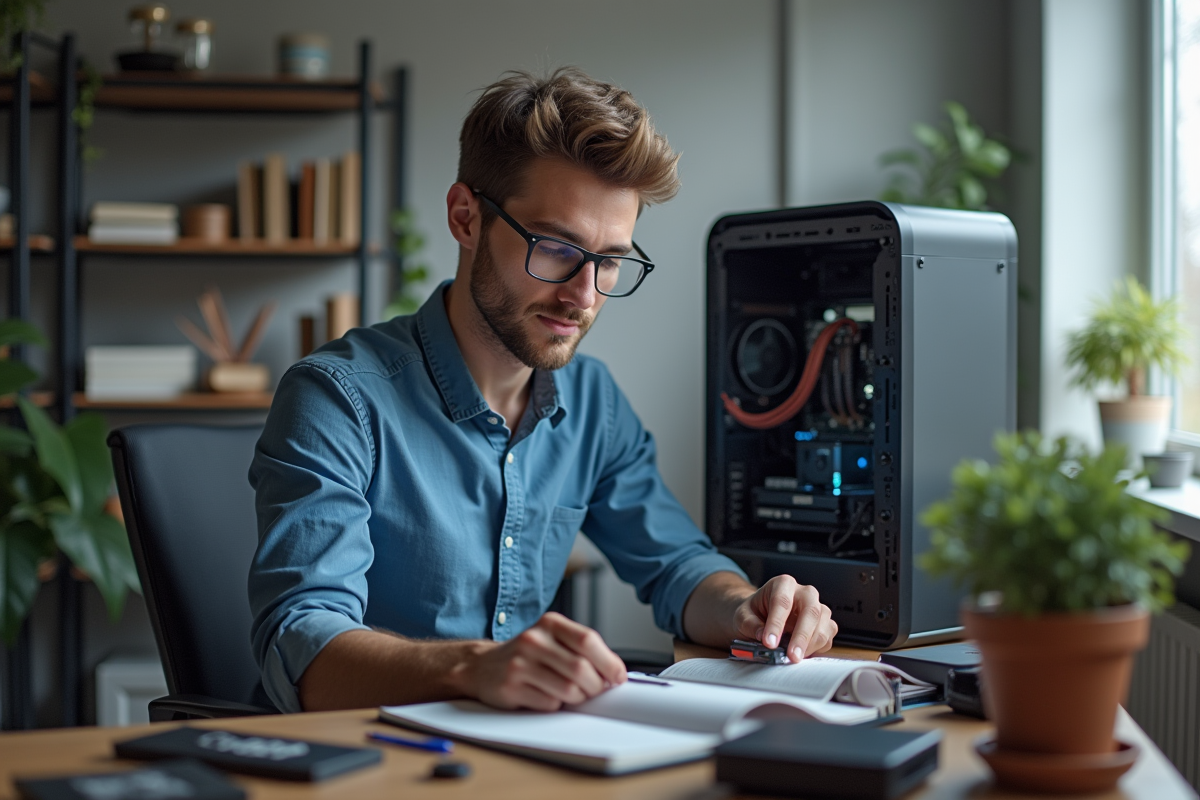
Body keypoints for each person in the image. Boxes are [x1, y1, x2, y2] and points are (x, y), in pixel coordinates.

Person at [248, 67, 837, 714]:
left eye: (609, 260)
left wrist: (748, 609)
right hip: (366, 762)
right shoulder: (337, 400)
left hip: (514, 756)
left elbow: (676, 567)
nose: (583, 297)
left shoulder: (593, 402)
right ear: (466, 218)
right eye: (556, 248)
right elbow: (305, 655)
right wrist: (477, 668)